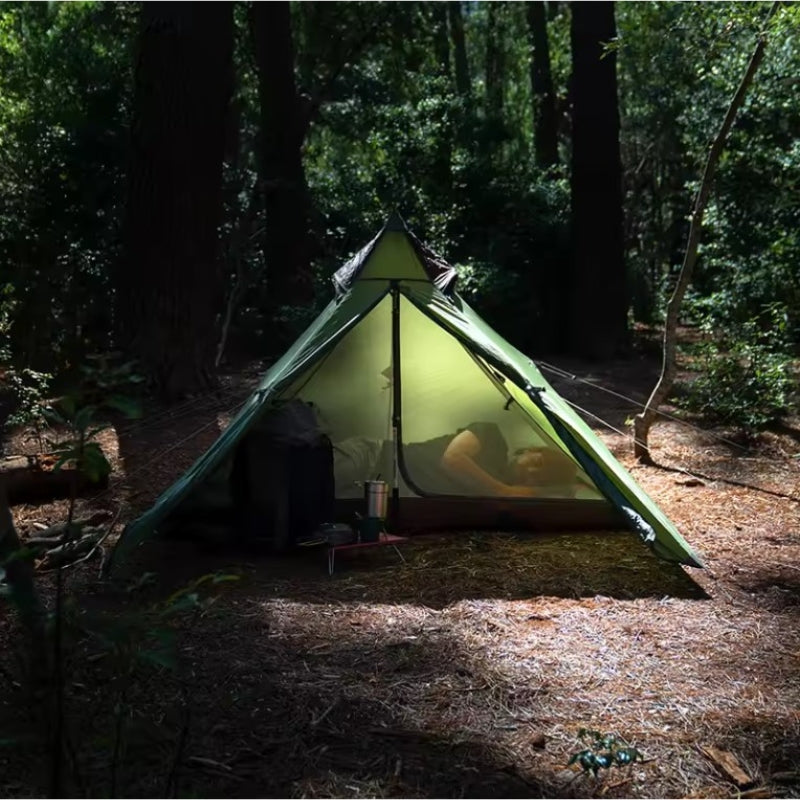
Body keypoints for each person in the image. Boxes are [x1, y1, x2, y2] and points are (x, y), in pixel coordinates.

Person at [332, 421, 578, 498]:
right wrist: (505, 490)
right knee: (303, 476)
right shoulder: (491, 435)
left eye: (539, 478)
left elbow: (567, 493)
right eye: (538, 463)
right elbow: (452, 459)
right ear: (530, 450)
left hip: (375, 497)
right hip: (371, 458)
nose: (531, 472)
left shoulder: (493, 499)